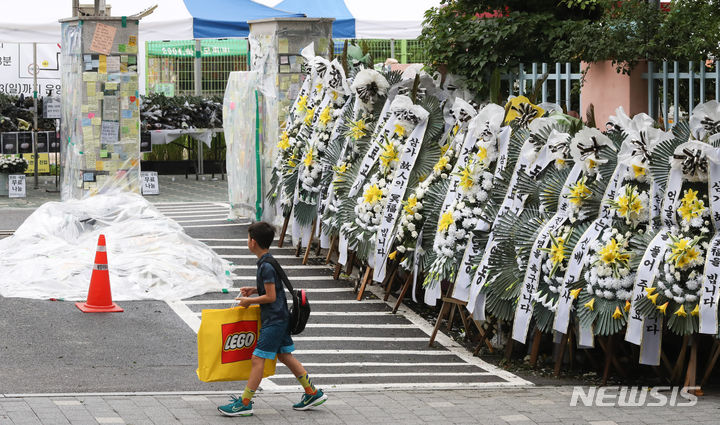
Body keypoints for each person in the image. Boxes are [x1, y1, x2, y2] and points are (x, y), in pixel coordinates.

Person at [217, 221, 327, 417]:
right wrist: (253, 290)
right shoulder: (268, 261)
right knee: (285, 356)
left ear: (253, 242)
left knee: (257, 359)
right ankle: (312, 392)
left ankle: (245, 402)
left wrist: (249, 302)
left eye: (248, 238)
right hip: (280, 317)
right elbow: (271, 290)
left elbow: (271, 297)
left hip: (274, 321)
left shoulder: (265, 266)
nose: (248, 241)